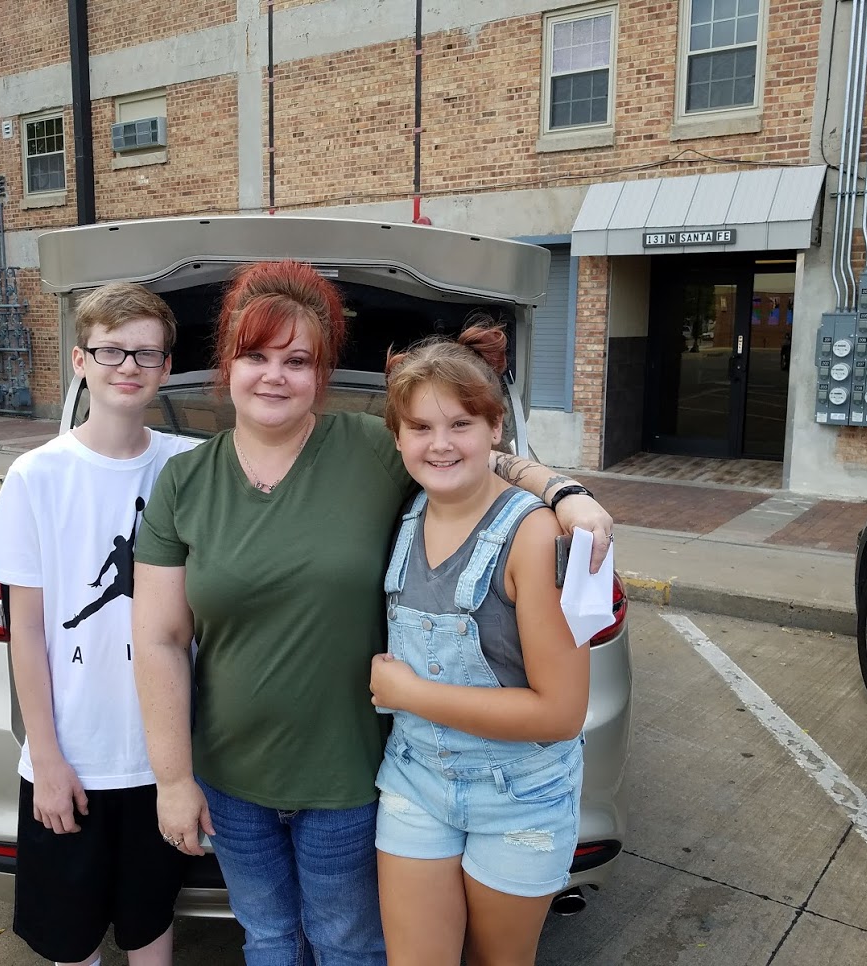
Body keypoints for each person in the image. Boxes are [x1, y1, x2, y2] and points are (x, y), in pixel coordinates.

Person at [131, 260, 612, 966]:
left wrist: (563, 492)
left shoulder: (368, 451)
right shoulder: (184, 481)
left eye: (297, 360)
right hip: (230, 779)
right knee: (267, 941)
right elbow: (160, 639)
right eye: (256, 356)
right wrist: (174, 780)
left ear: (321, 373)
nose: (274, 376)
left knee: (349, 945)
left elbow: (466, 451)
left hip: (352, 775)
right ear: (226, 365)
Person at [0, 282, 194, 966]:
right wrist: (45, 758)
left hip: (161, 762)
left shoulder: (188, 465)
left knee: (150, 924)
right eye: (111, 351)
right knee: (69, 939)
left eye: (146, 353)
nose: (129, 366)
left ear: (166, 367)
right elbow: (26, 631)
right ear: (80, 361)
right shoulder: (35, 475)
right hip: (70, 759)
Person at [368, 323, 589, 966]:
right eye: (420, 427)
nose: (439, 444)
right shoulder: (403, 510)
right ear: (398, 436)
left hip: (518, 797)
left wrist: (411, 694)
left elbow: (560, 713)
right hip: (415, 780)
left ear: (495, 429)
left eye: (460, 424)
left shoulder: (535, 536)